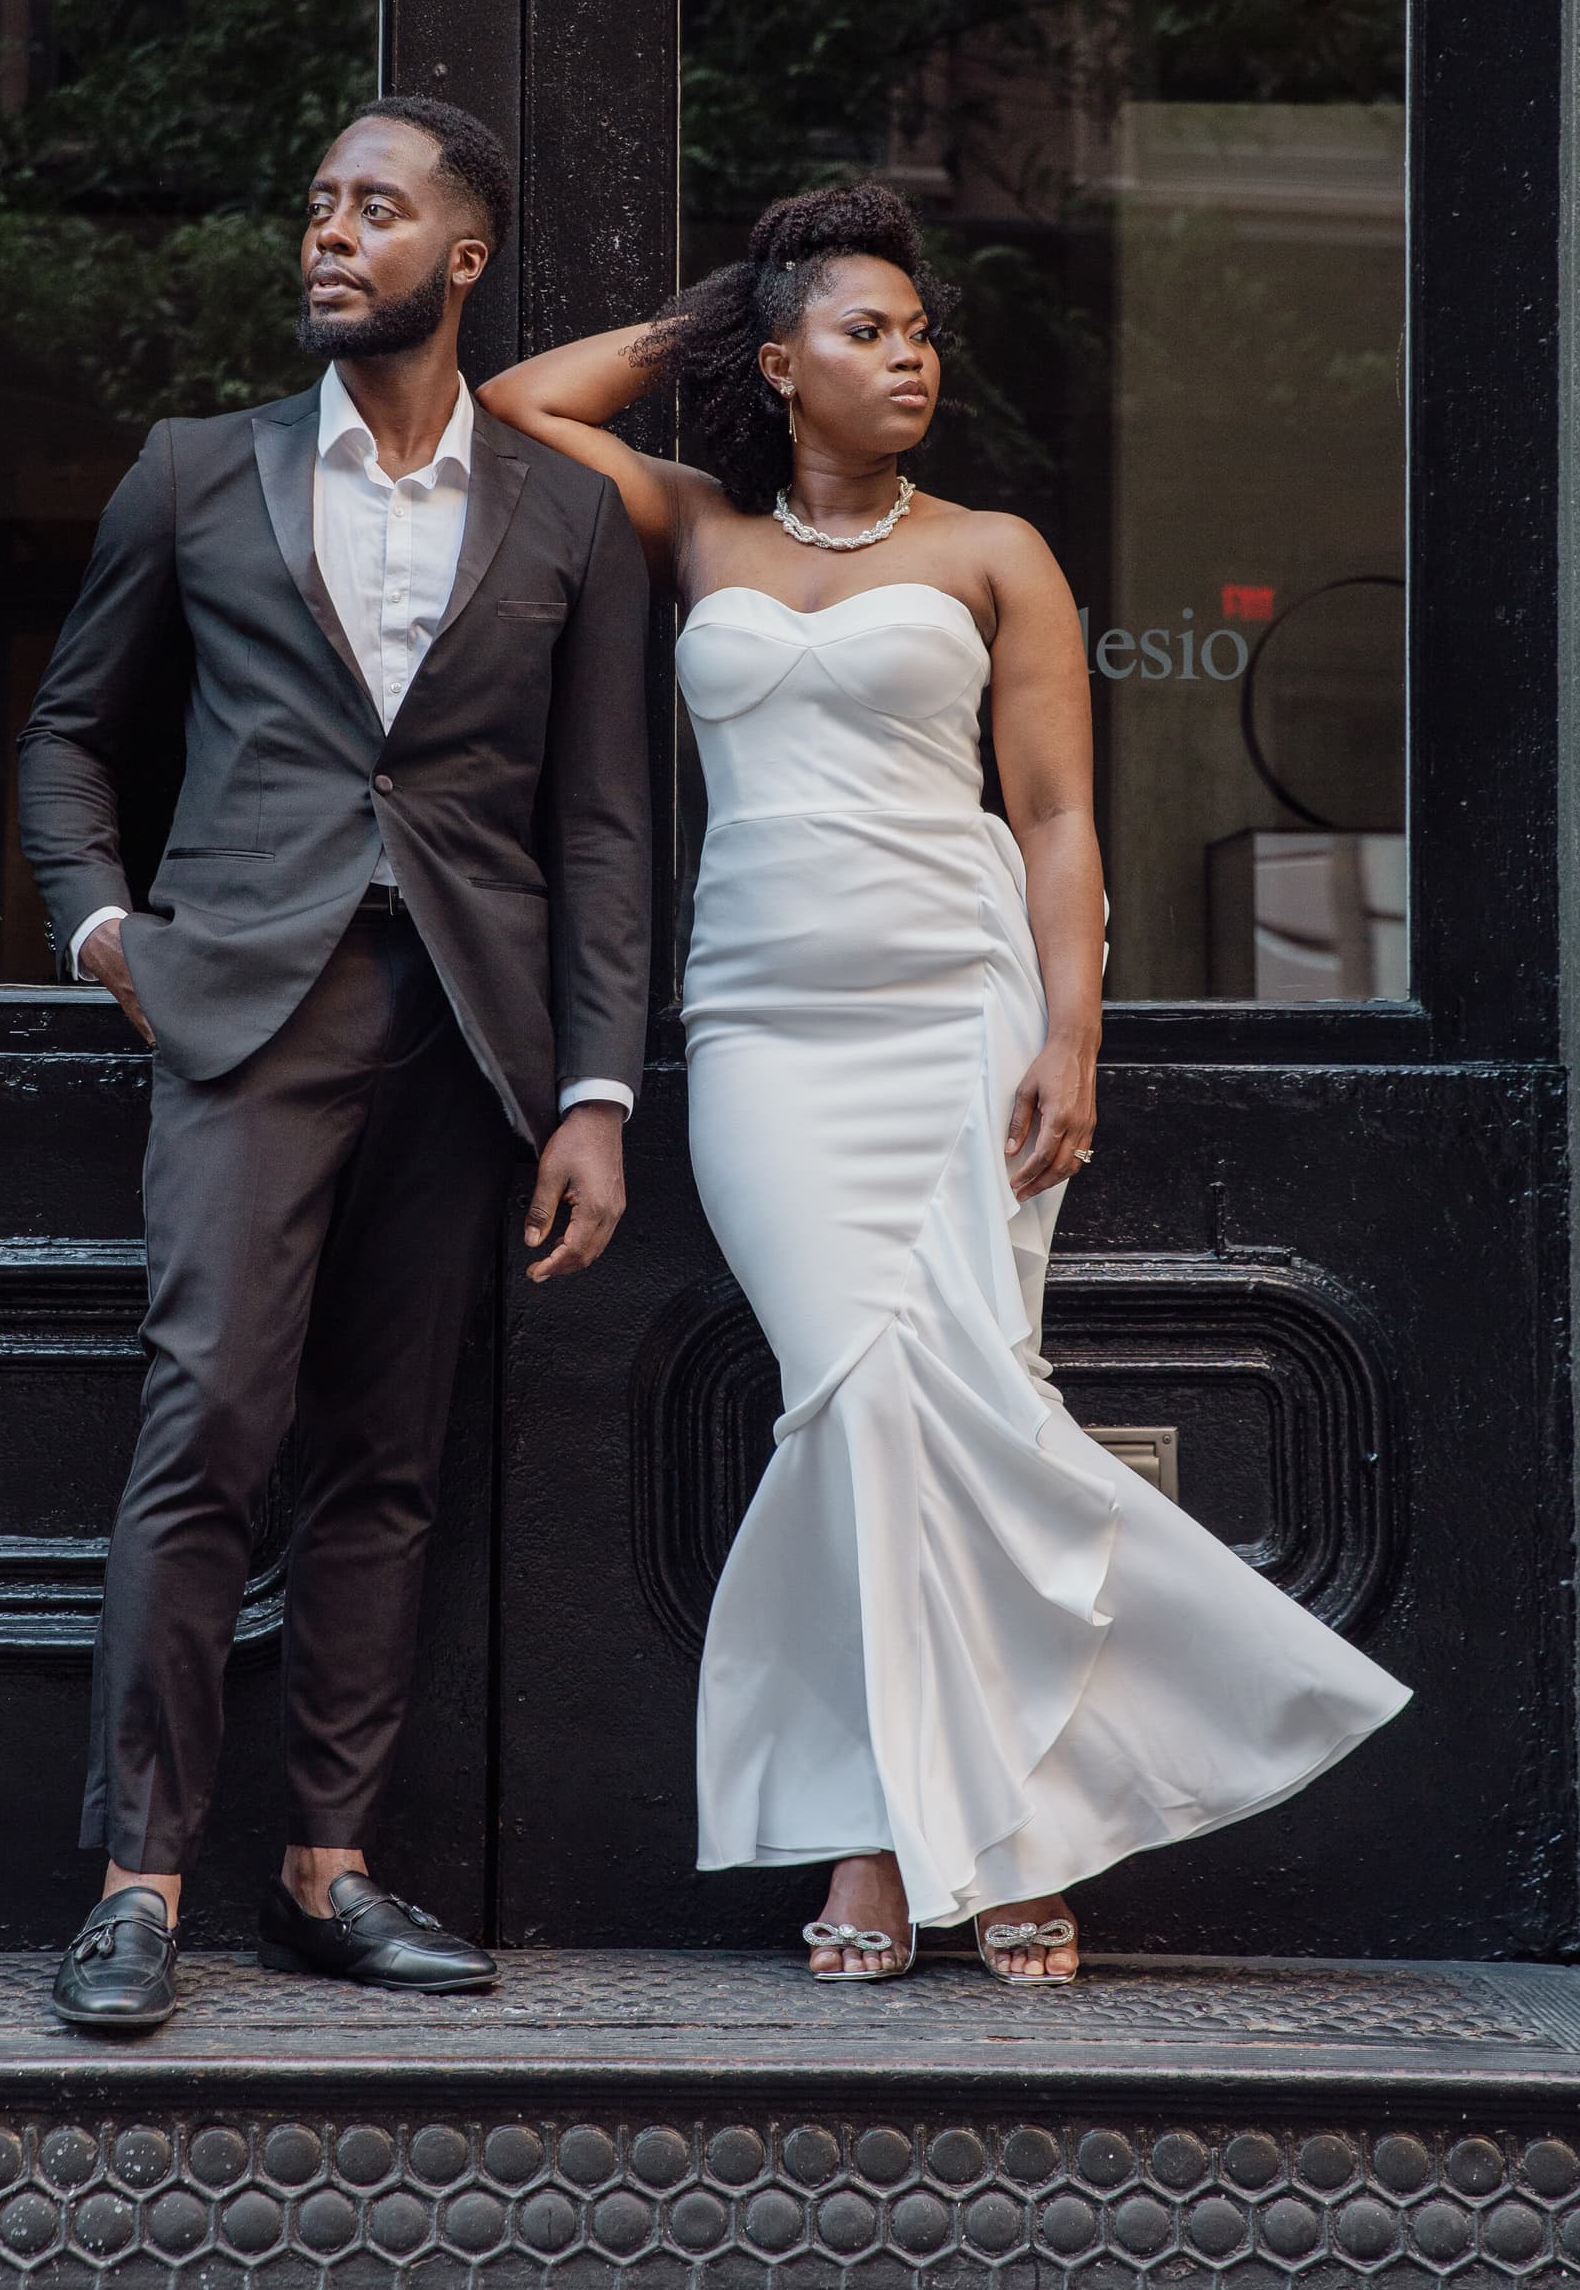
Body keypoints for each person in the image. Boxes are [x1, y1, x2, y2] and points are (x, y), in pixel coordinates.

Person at [479, 180, 1409, 1986]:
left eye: (921, 336)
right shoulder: (699, 537)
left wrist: (1073, 1034)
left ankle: (892, 1849)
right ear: (780, 362)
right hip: (759, 1031)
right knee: (858, 1397)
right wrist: (729, 300)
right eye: (867, 330)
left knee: (942, 1404)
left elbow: (1056, 819)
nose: (911, 359)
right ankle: (991, 1825)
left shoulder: (996, 550)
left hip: (958, 1018)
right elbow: (528, 405)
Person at [19, 97, 651, 2030]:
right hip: (246, 1015)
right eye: (316, 206)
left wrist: (601, 1095)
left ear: (462, 259)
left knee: (386, 1460)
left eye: (375, 211)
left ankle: (325, 1874)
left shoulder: (571, 514)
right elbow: (66, 736)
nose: (328, 236)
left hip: (469, 1036)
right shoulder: (196, 472)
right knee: (204, 1424)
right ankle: (137, 1887)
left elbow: (608, 824)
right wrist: (102, 922)